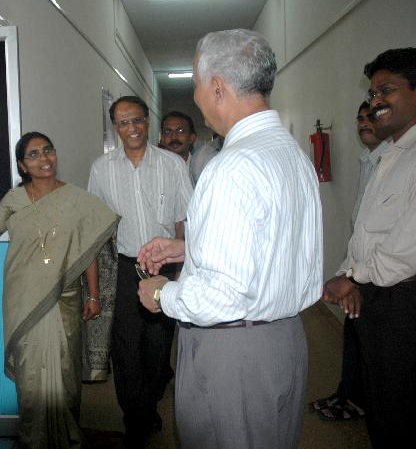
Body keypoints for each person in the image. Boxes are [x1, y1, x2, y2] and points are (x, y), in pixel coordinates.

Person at [136, 29, 322, 449]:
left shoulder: (231, 167)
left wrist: (162, 293)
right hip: (284, 339)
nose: (196, 96)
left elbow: (223, 296)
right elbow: (274, 242)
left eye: (197, 84)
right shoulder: (291, 154)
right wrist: (191, 248)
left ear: (217, 87)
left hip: (234, 349)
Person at [0, 132, 119, 449]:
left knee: (66, 370)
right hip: (23, 296)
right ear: (23, 165)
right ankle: (33, 439)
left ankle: (69, 438)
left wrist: (93, 295)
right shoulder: (14, 199)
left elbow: (88, 251)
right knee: (30, 373)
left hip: (65, 298)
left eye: (48, 151)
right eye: (34, 154)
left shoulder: (77, 199)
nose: (44, 159)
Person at [322, 47, 416, 447]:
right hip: (377, 297)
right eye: (373, 92)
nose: (376, 101)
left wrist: (352, 277)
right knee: (381, 403)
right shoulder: (389, 154)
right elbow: (365, 231)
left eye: (387, 90)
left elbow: (406, 248)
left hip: (404, 302)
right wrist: (350, 274)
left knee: (399, 409)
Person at [88, 95, 192, 447]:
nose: (131, 128)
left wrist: (184, 269)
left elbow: (183, 219)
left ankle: (147, 406)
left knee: (158, 347)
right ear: (115, 128)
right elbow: (97, 226)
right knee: (126, 347)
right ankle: (135, 419)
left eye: (137, 120)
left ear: (148, 121)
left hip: (165, 267)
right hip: (124, 267)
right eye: (123, 122)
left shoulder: (172, 165)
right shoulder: (101, 169)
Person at [311, 102, 387, 421]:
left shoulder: (395, 160)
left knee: (371, 345)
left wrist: (354, 278)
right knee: (354, 335)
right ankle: (349, 395)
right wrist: (349, 272)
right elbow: (361, 226)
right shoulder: (369, 159)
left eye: (371, 117)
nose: (364, 123)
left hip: (381, 275)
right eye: (360, 119)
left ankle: (357, 399)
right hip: (360, 270)